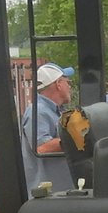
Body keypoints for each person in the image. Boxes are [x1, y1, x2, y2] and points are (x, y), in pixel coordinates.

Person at [18, 62, 73, 193]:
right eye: (67, 82)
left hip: (58, 193)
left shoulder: (55, 111)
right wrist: (75, 139)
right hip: (47, 196)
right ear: (58, 84)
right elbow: (41, 147)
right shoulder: (38, 112)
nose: (69, 86)